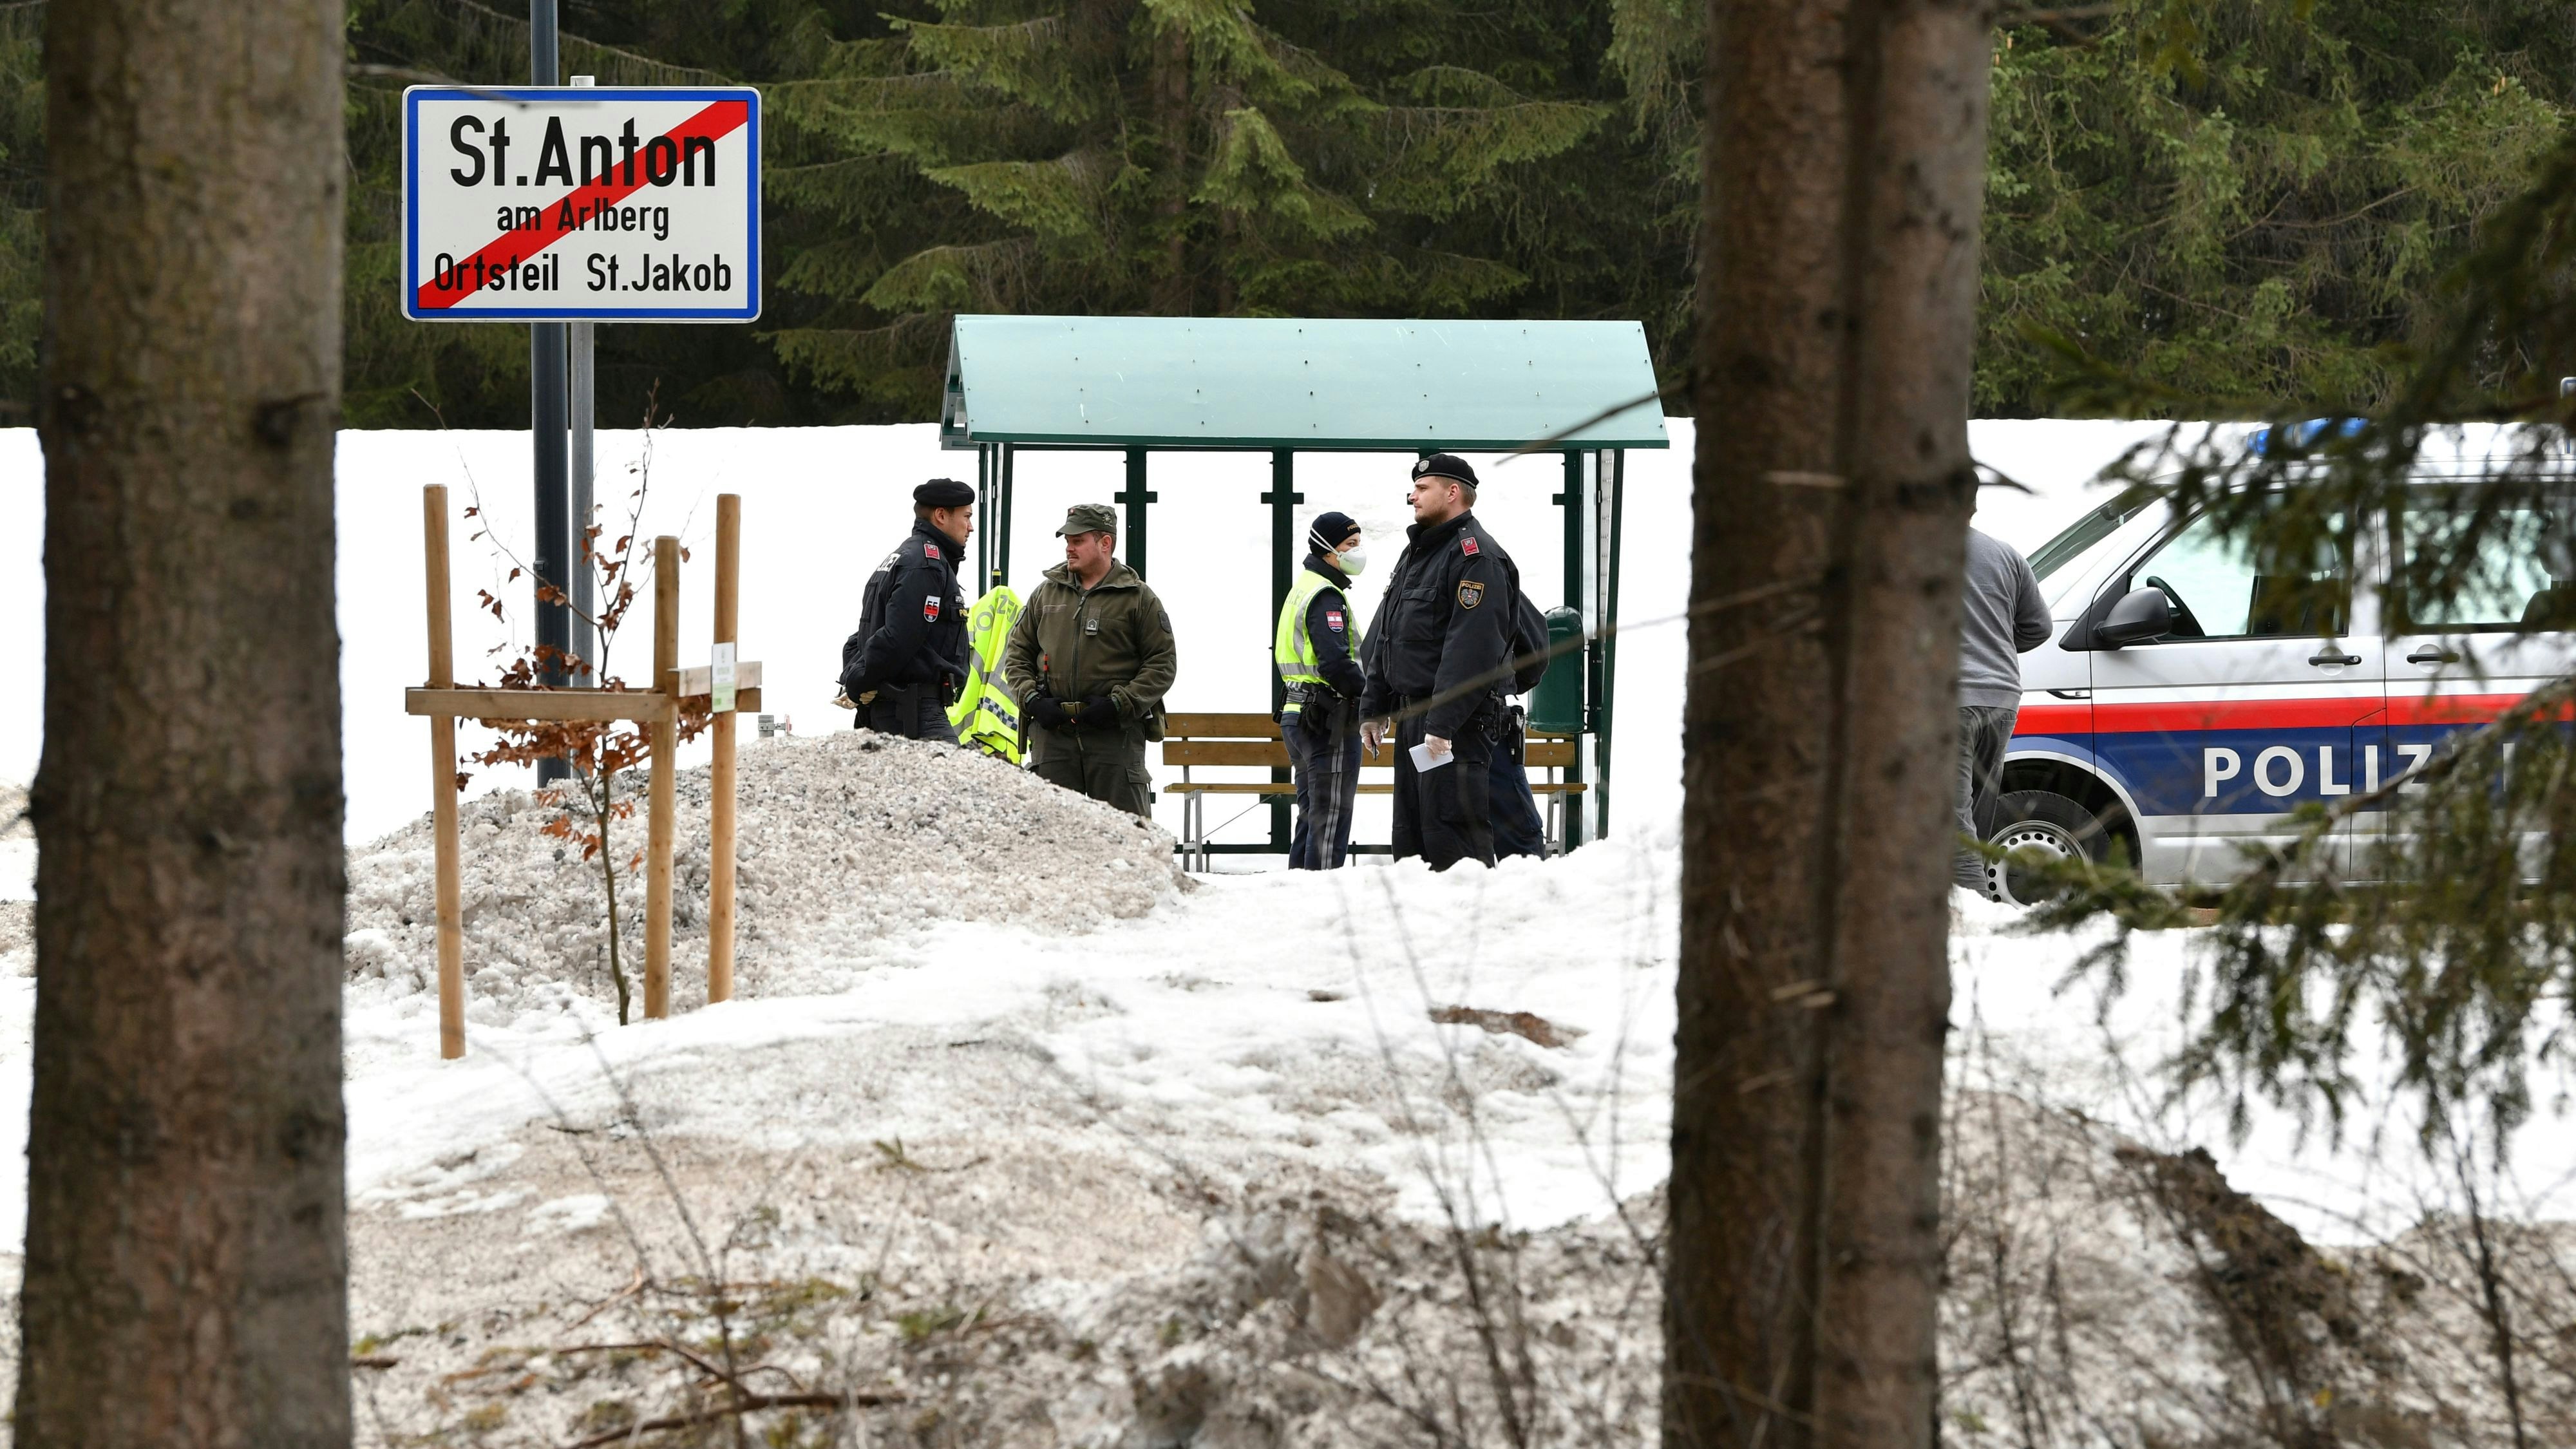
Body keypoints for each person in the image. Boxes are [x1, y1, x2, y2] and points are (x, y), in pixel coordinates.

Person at [1359, 454, 1519, 871]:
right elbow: (1389, 636)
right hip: (1419, 719)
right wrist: (1375, 710)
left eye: (1423, 487)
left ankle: (1470, 930)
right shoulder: (1418, 554)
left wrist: (1442, 725)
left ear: (1453, 493)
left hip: (1455, 725)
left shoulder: (1474, 557)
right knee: (1412, 840)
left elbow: (1472, 650)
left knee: (1452, 840)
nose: (1412, 495)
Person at [1002, 504, 1178, 817]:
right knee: (1050, 838)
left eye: (1078, 540)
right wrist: (1032, 700)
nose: (1069, 548)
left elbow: (1162, 664)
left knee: (1127, 838)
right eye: (1067, 541)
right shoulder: (1045, 595)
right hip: (1053, 737)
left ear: (1105, 543)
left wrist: (1119, 704)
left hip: (1115, 738)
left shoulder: (1139, 598)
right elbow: (1016, 654)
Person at [838, 478, 974, 742]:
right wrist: (859, 683)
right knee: (954, 781)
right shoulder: (926, 565)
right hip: (914, 714)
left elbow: (861, 638)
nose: (970, 527)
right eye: (966, 516)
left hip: (895, 708)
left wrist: (858, 678)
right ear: (941, 516)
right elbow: (898, 637)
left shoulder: (903, 558)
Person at [1956, 525, 2054, 892]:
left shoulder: (1913, 548)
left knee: (1951, 822)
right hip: (2002, 698)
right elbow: (2039, 627)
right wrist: (1992, 647)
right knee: (1974, 821)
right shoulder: (2006, 554)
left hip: (1950, 701)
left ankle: (1970, 917)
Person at [1276, 511, 1371, 869]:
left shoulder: (1304, 586)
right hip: (1327, 721)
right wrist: (1370, 699)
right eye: (1350, 545)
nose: (1357, 552)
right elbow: (1335, 663)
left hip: (1298, 714)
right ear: (1328, 549)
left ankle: (1299, 894)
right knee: (1330, 819)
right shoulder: (1326, 595)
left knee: (1313, 816)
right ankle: (1323, 901)